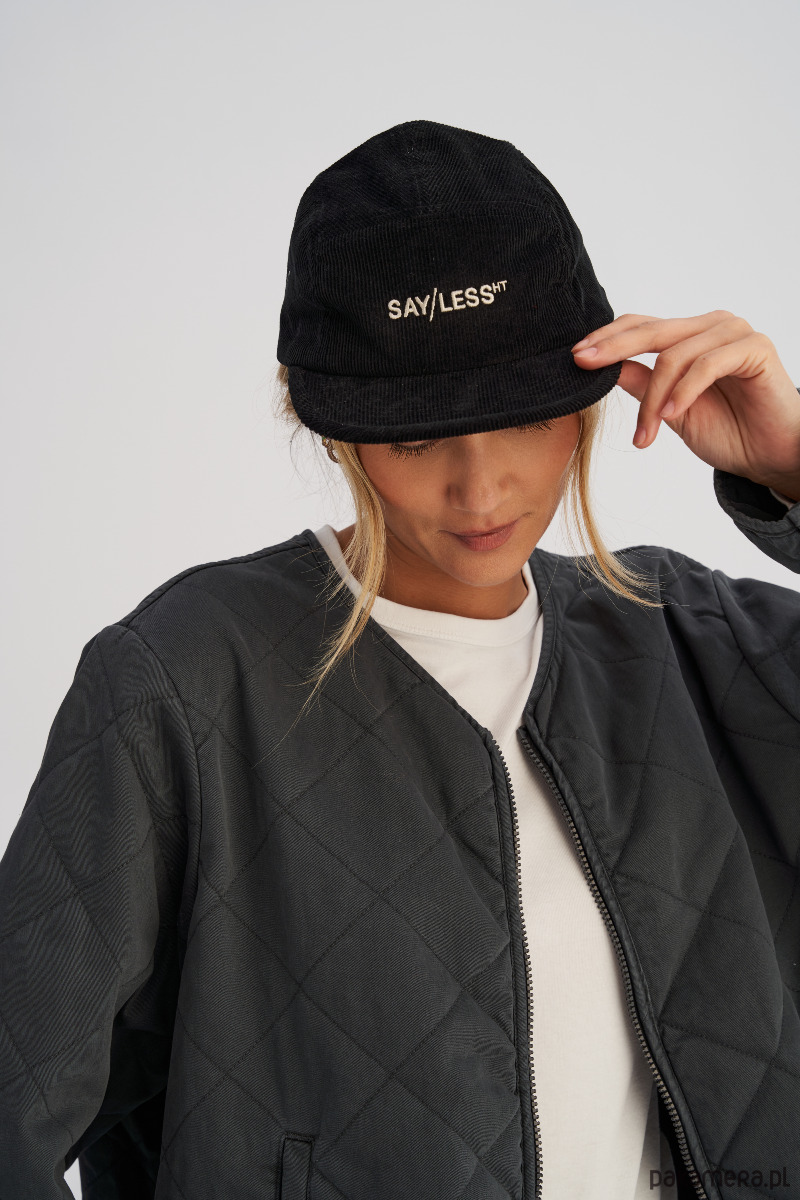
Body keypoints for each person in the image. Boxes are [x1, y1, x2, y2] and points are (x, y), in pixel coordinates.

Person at [1, 119, 799, 1200]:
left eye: (519, 419)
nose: (480, 488)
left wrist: (795, 465)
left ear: (587, 396)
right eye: (417, 436)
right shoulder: (182, 682)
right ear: (325, 422)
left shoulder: (693, 641)